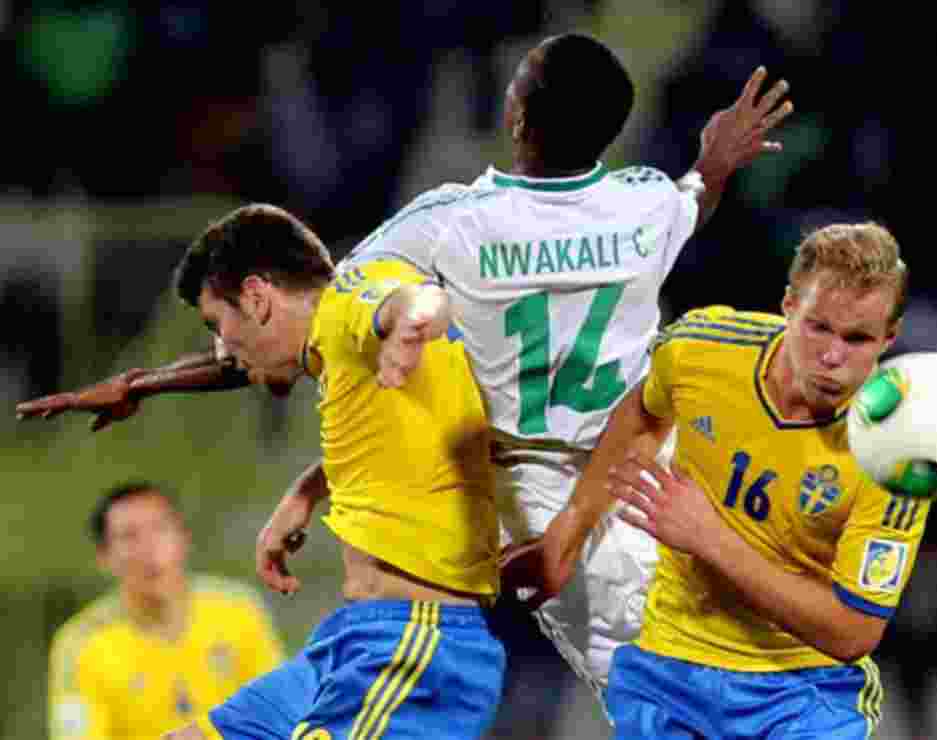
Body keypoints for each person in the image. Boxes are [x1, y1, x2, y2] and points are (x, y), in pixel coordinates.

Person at [18, 33, 792, 723]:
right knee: (719, 680)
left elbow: (310, 319)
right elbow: (701, 196)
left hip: (524, 491)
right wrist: (714, 155)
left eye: (516, 88)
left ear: (518, 120)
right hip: (645, 476)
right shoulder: (646, 205)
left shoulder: (452, 222)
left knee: (682, 708)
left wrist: (148, 382)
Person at [512, 222, 927, 737]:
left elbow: (853, 631)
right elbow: (645, 410)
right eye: (818, 327)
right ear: (788, 306)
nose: (833, 356)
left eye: (858, 338)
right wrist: (569, 529)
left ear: (889, 337)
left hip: (803, 693)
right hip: (670, 669)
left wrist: (709, 537)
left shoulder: (897, 453)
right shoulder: (702, 349)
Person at [159, 204, 504, 739]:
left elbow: (418, 299)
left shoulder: (348, 300)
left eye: (217, 325)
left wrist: (411, 323)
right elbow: (394, 439)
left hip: (416, 646)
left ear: (256, 297)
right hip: (356, 638)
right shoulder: (335, 355)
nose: (221, 348)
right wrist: (305, 492)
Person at [49, 482, 286, 740]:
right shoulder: (80, 644)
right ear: (104, 557)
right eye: (129, 536)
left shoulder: (238, 609)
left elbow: (279, 714)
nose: (149, 549)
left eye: (159, 529)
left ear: (184, 538)